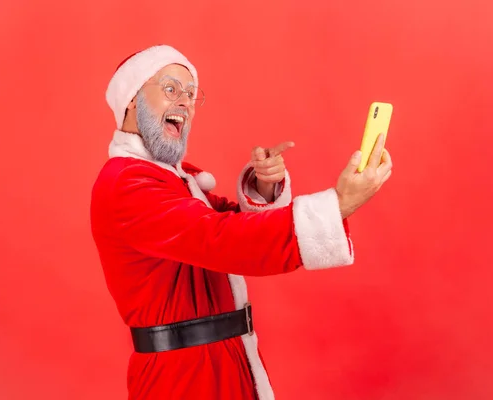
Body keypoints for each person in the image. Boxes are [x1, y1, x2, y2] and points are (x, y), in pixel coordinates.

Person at [90, 44, 392, 400]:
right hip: (181, 381)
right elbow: (221, 239)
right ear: (131, 100)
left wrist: (263, 188)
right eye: (171, 89)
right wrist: (338, 204)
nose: (185, 103)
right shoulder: (126, 183)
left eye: (190, 94)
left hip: (226, 364)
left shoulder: (175, 181)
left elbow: (226, 220)